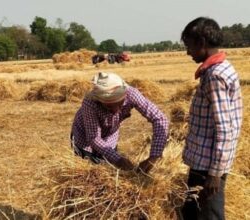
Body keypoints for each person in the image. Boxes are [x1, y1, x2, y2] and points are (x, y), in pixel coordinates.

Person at [180, 17, 243, 220]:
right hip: (204, 161)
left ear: (201, 43)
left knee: (209, 215)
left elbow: (225, 128)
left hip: (208, 166)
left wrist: (215, 174)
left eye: (189, 45)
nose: (187, 52)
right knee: (192, 212)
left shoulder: (215, 75)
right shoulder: (221, 68)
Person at [71, 72, 169, 172]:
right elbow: (93, 137)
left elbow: (159, 118)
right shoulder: (90, 102)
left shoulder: (131, 94)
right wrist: (118, 159)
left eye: (120, 104)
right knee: (88, 174)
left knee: (110, 170)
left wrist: (154, 156)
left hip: (110, 137)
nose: (116, 111)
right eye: (109, 106)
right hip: (85, 140)